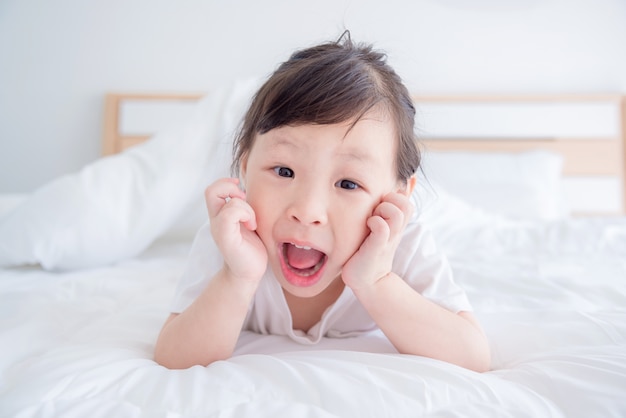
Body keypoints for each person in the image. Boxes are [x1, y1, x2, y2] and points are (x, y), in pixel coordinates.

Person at [154, 32, 491, 372]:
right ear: (244, 166)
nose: (307, 211)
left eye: (348, 183)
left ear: (397, 195)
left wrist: (375, 282)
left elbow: (472, 357)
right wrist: (238, 277)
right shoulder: (231, 241)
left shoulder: (404, 246)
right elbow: (174, 358)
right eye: (284, 171)